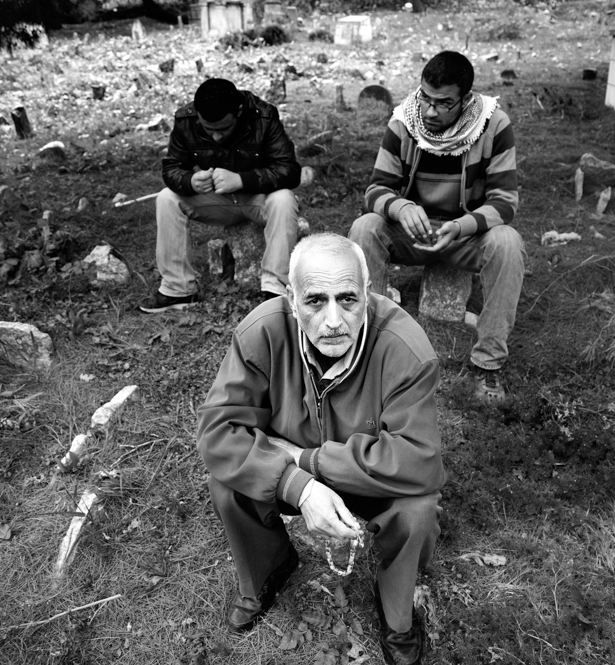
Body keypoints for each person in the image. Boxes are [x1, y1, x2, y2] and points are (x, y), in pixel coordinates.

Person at [196, 233, 445, 665]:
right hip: (299, 473)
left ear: (367, 295)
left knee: (418, 510)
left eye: (348, 299)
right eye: (315, 301)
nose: (333, 321)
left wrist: (307, 459)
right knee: (227, 484)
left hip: (367, 478)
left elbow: (420, 460)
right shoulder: (261, 332)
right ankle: (269, 568)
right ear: (292, 300)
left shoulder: (406, 347)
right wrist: (301, 487)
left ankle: (396, 610)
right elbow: (218, 433)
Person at [349, 51, 525, 401]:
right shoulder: (404, 120)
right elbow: (375, 190)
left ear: (466, 99)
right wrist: (399, 206)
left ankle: (488, 365)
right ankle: (367, 347)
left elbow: (505, 201)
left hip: (465, 235)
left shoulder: (493, 124)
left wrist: (463, 226)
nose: (429, 111)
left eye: (443, 103)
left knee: (507, 242)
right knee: (365, 227)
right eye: (425, 98)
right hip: (413, 233)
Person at [140, 78, 302, 313]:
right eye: (209, 130)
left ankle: (275, 291)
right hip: (218, 201)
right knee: (167, 198)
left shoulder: (264, 116)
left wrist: (242, 180)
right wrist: (189, 181)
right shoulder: (186, 119)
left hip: (258, 199)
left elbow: (289, 170)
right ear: (198, 115)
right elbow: (171, 168)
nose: (216, 137)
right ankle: (178, 290)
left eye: (223, 129)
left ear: (238, 111)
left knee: (284, 198)